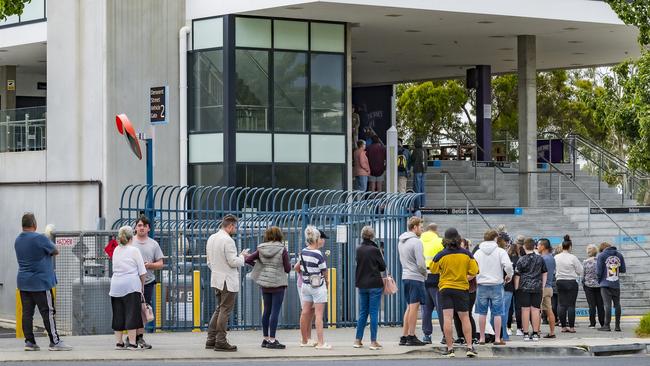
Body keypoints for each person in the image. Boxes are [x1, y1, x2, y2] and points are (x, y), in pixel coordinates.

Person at [14, 213, 72, 351]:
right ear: (34, 224)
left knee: (27, 314)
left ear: (23, 225)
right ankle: (55, 342)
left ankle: (30, 342)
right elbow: (55, 250)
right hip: (40, 282)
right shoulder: (40, 238)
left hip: (23, 282)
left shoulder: (17, 240)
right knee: (48, 312)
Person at [430, 228, 479, 359]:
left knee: (447, 318)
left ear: (445, 240)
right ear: (458, 239)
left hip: (445, 289)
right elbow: (474, 271)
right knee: (465, 318)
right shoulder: (467, 254)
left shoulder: (440, 255)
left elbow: (433, 269)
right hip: (461, 289)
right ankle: (469, 347)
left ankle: (450, 349)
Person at [206, 214, 249, 352]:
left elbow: (209, 261)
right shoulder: (228, 240)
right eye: (235, 226)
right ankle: (221, 341)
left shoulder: (211, 238)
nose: (235, 229)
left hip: (216, 278)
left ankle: (211, 339)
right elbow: (233, 262)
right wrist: (242, 256)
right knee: (225, 310)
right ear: (230, 226)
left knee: (219, 308)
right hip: (228, 281)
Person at [246, 226, 291, 349]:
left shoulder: (261, 248)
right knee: (275, 312)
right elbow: (287, 269)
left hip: (265, 284)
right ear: (279, 235)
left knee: (266, 311)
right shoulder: (282, 249)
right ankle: (272, 340)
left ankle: (265, 339)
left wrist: (260, 266)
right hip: (278, 284)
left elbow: (248, 259)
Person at [109, 225, 147, 350]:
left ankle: (119, 343)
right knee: (132, 313)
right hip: (131, 285)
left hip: (115, 286)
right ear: (131, 237)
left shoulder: (116, 250)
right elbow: (142, 272)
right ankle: (132, 343)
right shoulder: (134, 250)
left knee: (118, 314)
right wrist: (141, 287)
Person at [474, 229, 513, 345]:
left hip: (481, 285)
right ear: (495, 238)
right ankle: (497, 338)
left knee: (482, 313)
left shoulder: (478, 252)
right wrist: (509, 275)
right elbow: (508, 266)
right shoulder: (500, 251)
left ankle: (481, 338)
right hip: (496, 284)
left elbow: (473, 267)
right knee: (497, 313)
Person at [132, 215, 163, 349]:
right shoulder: (130, 242)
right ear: (135, 228)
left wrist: (149, 265)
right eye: (139, 225)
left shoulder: (154, 244)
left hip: (148, 282)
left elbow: (161, 263)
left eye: (144, 225)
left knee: (143, 310)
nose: (142, 228)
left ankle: (139, 337)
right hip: (132, 282)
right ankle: (133, 337)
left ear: (149, 228)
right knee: (133, 310)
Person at [354, 226, 386, 350]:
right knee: (373, 313)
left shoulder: (358, 249)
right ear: (372, 236)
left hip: (362, 284)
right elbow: (383, 267)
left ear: (362, 235)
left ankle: (357, 340)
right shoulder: (375, 250)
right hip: (374, 284)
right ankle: (373, 342)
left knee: (363, 312)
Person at [299, 226, 331, 349]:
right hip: (318, 286)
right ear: (317, 238)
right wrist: (327, 283)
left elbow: (299, 268)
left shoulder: (303, 251)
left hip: (305, 285)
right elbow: (324, 271)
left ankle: (304, 340)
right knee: (318, 315)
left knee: (305, 312)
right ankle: (321, 342)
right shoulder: (318, 254)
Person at [397, 217, 427, 346]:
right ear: (414, 227)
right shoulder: (416, 242)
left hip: (406, 276)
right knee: (414, 308)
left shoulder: (401, 241)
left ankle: (404, 336)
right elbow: (420, 263)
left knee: (409, 307)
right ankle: (411, 335)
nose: (422, 229)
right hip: (415, 277)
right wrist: (425, 274)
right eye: (420, 226)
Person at [514, 238, 547, 342]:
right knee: (536, 310)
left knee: (525, 310)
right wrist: (543, 285)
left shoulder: (521, 259)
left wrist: (516, 287)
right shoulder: (540, 259)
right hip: (537, 287)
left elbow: (517, 275)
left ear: (524, 246)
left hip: (524, 287)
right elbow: (544, 272)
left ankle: (526, 333)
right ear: (534, 246)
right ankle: (536, 333)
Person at [420, 223, 444, 344]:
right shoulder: (440, 241)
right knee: (441, 308)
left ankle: (426, 335)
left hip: (423, 276)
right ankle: (445, 335)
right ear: (436, 230)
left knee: (426, 309)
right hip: (437, 277)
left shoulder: (419, 241)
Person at [554, 235, 583, 333]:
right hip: (571, 281)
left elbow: (554, 270)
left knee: (562, 304)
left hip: (560, 281)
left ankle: (562, 327)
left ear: (562, 247)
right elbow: (580, 270)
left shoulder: (556, 257)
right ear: (570, 247)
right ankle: (571, 327)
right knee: (571, 305)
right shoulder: (573, 257)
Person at [453, 238, 478, 346]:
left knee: (467, 313)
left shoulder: (470, 257)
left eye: (461, 245)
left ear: (466, 246)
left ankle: (472, 337)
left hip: (469, 290)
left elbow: (474, 272)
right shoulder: (454, 257)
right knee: (456, 314)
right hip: (457, 289)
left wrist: (461, 278)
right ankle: (460, 336)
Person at [596, 242, 626, 332]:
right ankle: (617, 326)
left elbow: (598, 271)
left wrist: (599, 281)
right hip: (616, 283)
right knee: (617, 304)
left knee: (607, 305)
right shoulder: (619, 255)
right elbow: (623, 270)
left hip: (605, 284)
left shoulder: (601, 255)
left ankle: (607, 325)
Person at [537, 238, 557, 339]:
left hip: (541, 286)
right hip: (549, 286)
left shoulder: (542, 258)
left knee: (537, 310)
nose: (537, 247)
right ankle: (552, 332)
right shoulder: (552, 258)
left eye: (538, 245)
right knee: (549, 310)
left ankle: (537, 331)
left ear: (543, 246)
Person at [582, 244, 605, 329]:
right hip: (599, 285)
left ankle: (592, 323)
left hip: (588, 286)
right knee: (600, 305)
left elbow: (583, 275)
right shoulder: (600, 261)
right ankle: (602, 323)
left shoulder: (585, 262)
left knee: (591, 305)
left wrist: (583, 284)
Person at [410, 139, 427, 208]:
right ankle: (423, 204)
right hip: (424, 171)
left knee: (417, 188)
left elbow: (412, 159)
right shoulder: (424, 150)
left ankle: (417, 204)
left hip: (417, 170)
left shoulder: (415, 151)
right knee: (422, 187)